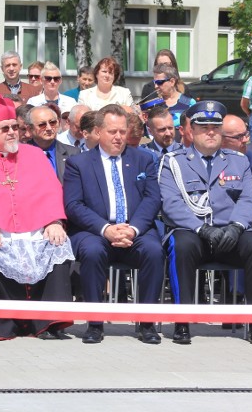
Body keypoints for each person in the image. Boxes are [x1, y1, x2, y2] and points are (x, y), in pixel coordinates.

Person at [0, 94, 74, 341]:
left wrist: (53, 220)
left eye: (15, 128)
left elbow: (50, 191)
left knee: (59, 242)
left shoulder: (33, 155)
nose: (12, 133)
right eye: (5, 128)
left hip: (33, 228)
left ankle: (46, 323)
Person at [159, 101, 252, 345]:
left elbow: (249, 199)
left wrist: (237, 226)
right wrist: (201, 228)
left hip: (230, 231)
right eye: (203, 127)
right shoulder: (174, 162)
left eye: (215, 127)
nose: (210, 132)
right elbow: (171, 203)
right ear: (191, 131)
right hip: (194, 232)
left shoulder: (238, 161)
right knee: (181, 246)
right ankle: (182, 322)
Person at [63, 104, 163, 344]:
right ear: (98, 132)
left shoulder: (143, 160)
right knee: (93, 251)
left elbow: (152, 198)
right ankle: (95, 323)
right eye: (112, 131)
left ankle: (147, 323)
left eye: (122, 131)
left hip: (134, 229)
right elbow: (74, 205)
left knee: (154, 251)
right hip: (95, 231)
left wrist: (133, 228)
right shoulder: (79, 164)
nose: (118, 137)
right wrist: (106, 229)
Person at [27, 105, 78, 183]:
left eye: (52, 123)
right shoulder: (20, 155)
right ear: (30, 129)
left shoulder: (73, 154)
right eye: (42, 125)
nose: (49, 128)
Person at [152, 64, 195, 128]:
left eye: (159, 82)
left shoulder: (189, 103)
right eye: (154, 82)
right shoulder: (154, 104)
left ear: (172, 82)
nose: (156, 86)